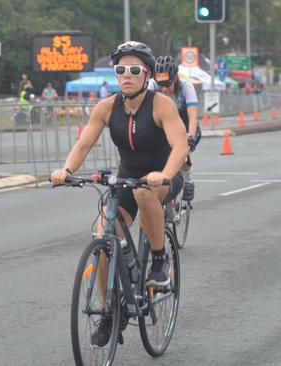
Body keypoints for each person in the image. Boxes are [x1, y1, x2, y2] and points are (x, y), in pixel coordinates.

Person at [50, 41, 188, 346]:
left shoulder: (161, 105)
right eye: (120, 69)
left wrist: (164, 174)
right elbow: (84, 144)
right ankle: (110, 312)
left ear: (147, 75)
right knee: (103, 235)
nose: (126, 75)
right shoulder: (107, 107)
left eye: (134, 70)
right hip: (128, 176)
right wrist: (67, 170)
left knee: (144, 195)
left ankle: (159, 261)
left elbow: (180, 145)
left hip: (162, 175)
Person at [148, 55, 200, 201]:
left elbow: (193, 115)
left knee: (181, 152)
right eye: (161, 84)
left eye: (168, 84)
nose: (164, 89)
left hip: (185, 127)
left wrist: (190, 135)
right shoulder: (152, 87)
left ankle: (188, 179)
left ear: (175, 78)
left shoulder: (186, 87)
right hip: (164, 128)